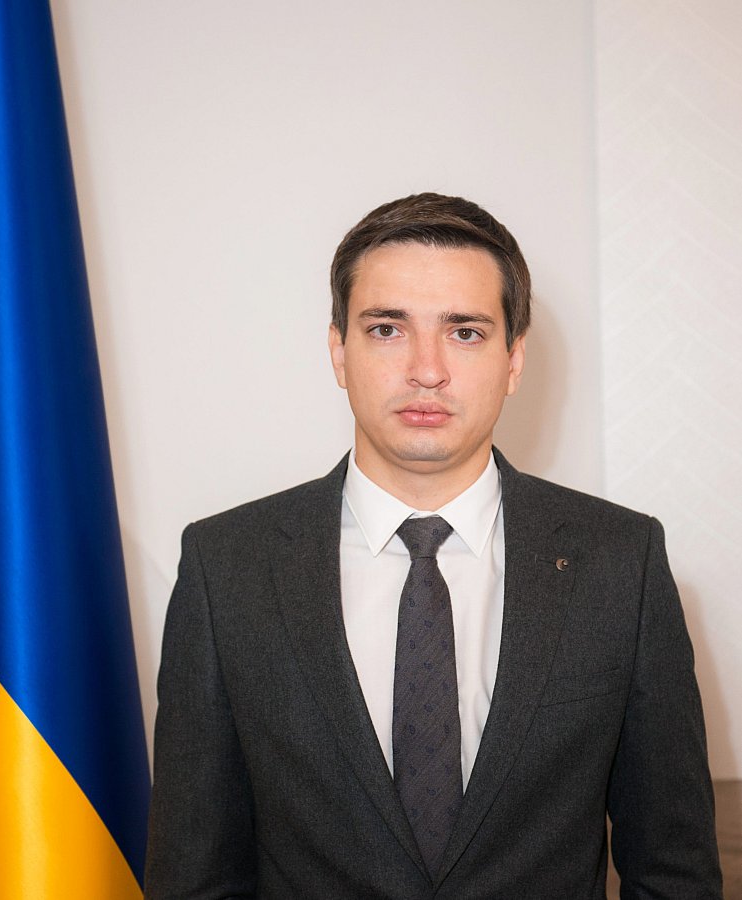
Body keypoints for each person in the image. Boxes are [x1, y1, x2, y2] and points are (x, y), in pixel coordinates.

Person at [144, 193, 722, 898]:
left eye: (465, 332)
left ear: (514, 359)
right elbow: (194, 875)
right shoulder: (226, 567)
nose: (426, 369)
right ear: (339, 351)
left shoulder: (622, 561)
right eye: (387, 329)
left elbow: (673, 870)